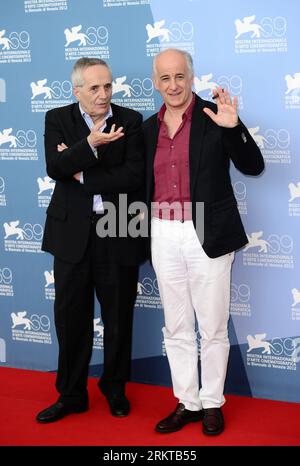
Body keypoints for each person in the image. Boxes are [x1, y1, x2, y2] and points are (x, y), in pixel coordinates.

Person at [142, 48, 264, 436]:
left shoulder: (215, 116)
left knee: (211, 326)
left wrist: (234, 127)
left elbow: (253, 166)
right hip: (163, 232)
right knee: (175, 326)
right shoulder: (147, 129)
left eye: (180, 76)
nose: (173, 85)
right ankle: (187, 401)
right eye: (165, 78)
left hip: (206, 232)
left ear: (191, 77)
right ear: (155, 82)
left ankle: (212, 402)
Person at [36, 57, 146, 423]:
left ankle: (115, 389)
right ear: (77, 90)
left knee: (118, 318)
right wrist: (90, 144)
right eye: (95, 88)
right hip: (71, 234)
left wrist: (81, 170)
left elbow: (132, 176)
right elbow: (55, 168)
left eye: (108, 86)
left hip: (117, 229)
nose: (103, 94)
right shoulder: (57, 119)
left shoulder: (130, 121)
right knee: (70, 319)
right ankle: (71, 394)